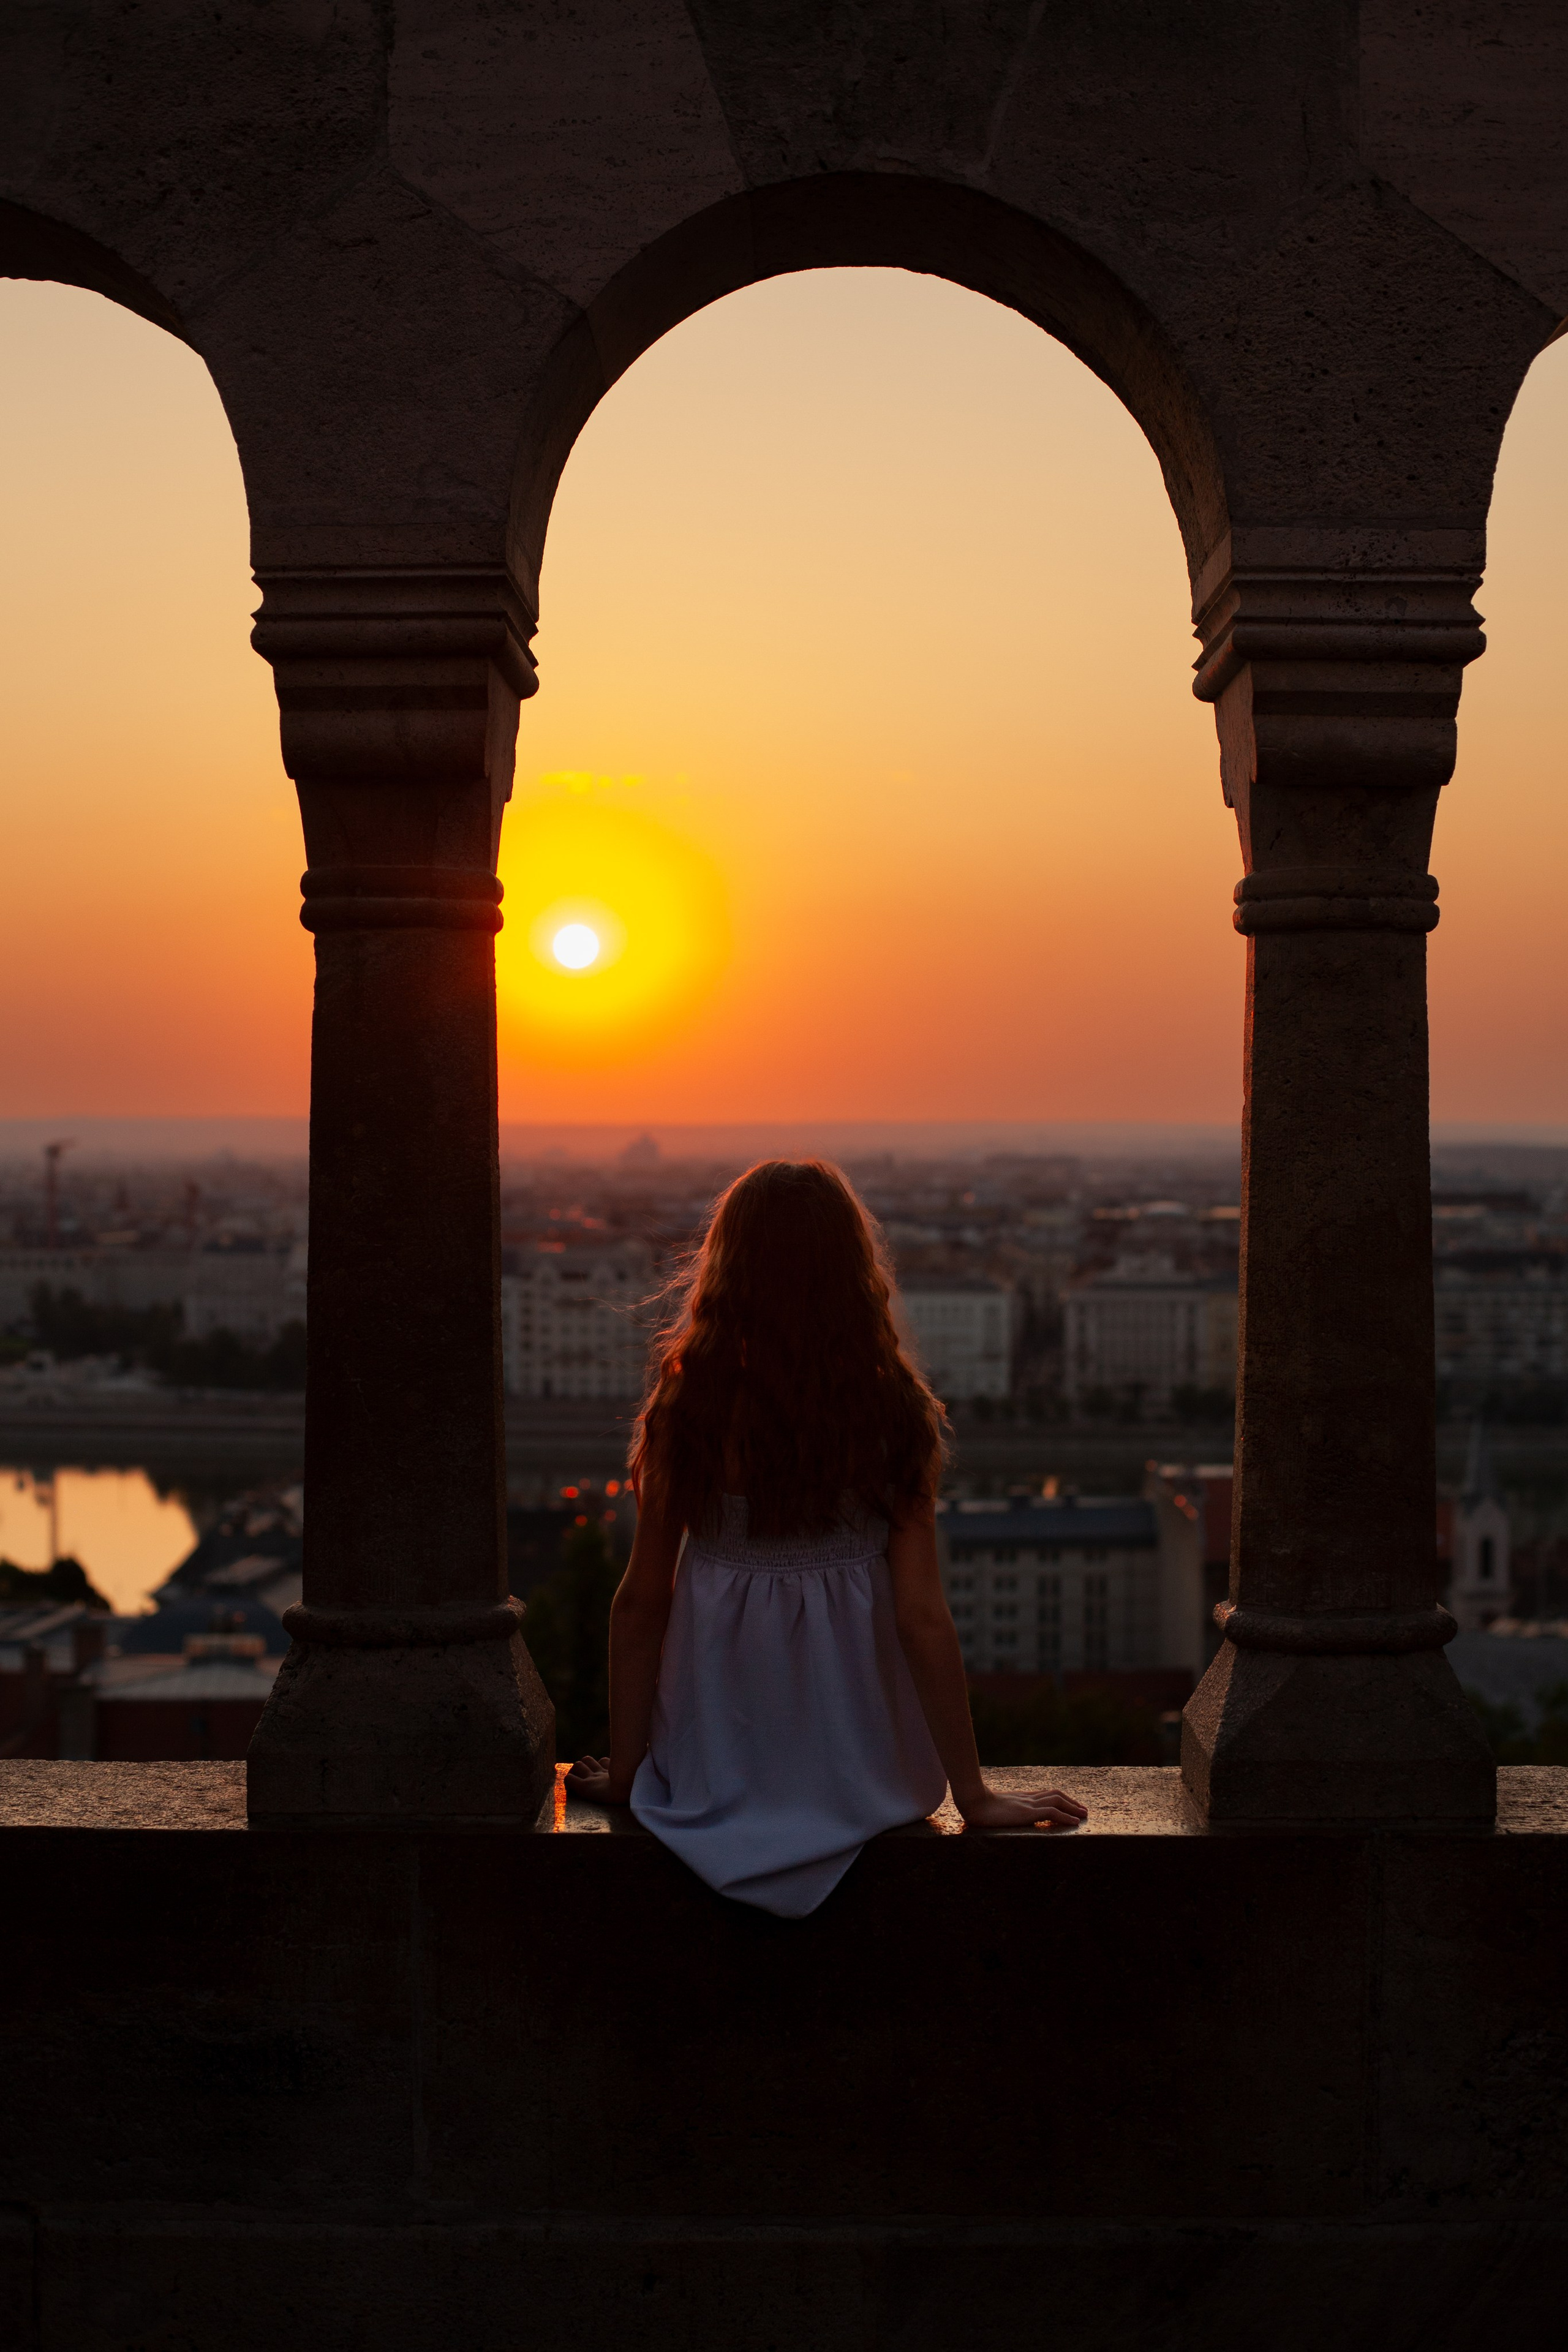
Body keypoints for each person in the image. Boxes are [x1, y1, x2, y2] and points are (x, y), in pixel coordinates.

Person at [565, 1159, 1087, 1915]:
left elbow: (641, 1604)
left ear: (726, 1270)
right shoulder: (893, 1413)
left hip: (714, 1760)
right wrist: (971, 1793)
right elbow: (921, 1618)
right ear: (853, 1273)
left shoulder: (687, 1410)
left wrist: (625, 1772)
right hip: (864, 1765)